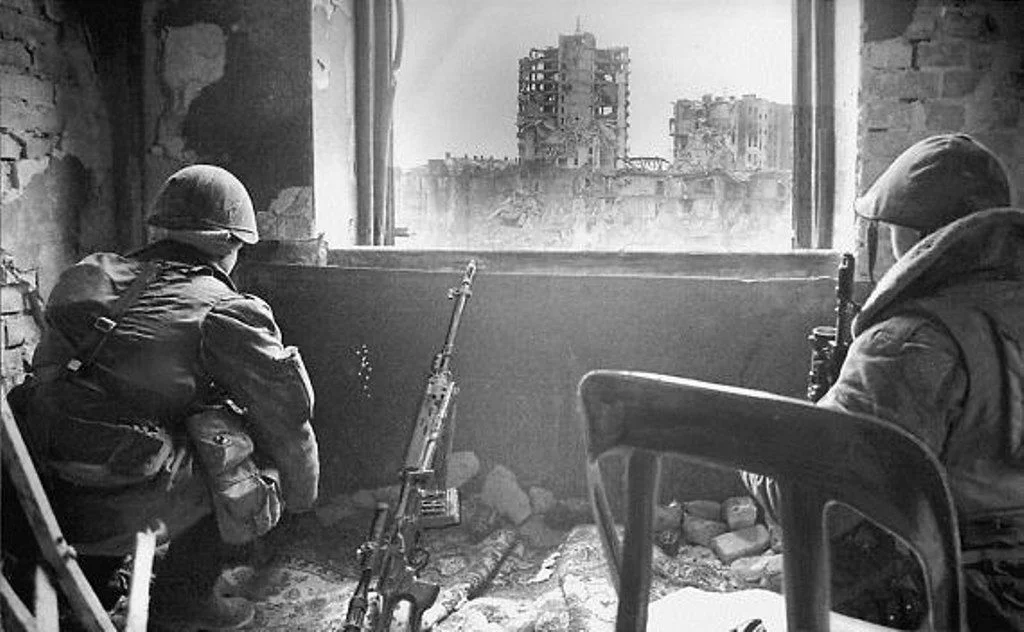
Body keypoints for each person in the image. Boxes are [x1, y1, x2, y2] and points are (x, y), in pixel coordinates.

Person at [7, 164, 320, 630]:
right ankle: (186, 597)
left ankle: (87, 582)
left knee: (106, 420)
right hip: (110, 501)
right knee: (236, 444)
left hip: (34, 487)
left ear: (163, 228)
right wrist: (301, 499)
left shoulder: (89, 273)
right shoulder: (227, 310)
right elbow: (287, 419)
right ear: (229, 244)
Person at [745, 133, 1023, 630]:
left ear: (911, 235)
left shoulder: (911, 341)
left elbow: (814, 499)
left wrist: (758, 441)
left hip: (965, 603)